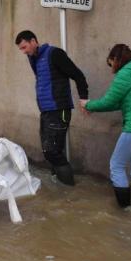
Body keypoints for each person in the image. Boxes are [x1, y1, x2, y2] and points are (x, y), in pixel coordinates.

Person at [80, 44, 131, 209]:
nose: (111, 68)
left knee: (116, 166)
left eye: (110, 63)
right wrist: (93, 106)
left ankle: (125, 212)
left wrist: (88, 105)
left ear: (116, 59)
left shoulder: (126, 73)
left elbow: (109, 101)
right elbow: (119, 103)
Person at [15, 30, 88, 186]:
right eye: (21, 49)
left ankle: (69, 188)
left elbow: (78, 75)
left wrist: (83, 98)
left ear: (34, 41)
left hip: (59, 109)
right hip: (46, 111)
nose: (24, 51)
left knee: (51, 151)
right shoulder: (33, 58)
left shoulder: (54, 54)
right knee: (50, 150)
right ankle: (59, 187)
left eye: (25, 47)